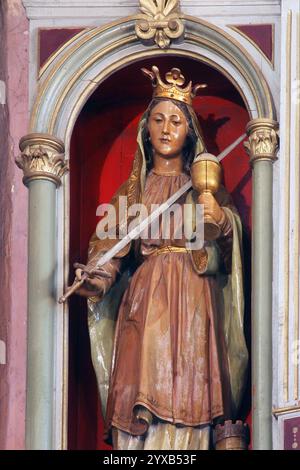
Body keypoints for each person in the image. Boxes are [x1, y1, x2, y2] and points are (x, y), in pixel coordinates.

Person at [74, 66, 248, 450]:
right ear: (145, 129)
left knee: (192, 385)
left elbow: (230, 250)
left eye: (176, 121)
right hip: (147, 299)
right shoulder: (132, 192)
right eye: (158, 119)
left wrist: (220, 221)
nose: (166, 129)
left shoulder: (206, 190)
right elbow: (110, 251)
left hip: (194, 297)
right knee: (143, 391)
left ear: (189, 133)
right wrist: (95, 279)